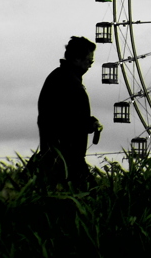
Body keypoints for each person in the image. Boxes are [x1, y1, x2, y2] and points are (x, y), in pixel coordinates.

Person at [35, 36, 102, 188]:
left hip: (59, 156)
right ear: (77, 59)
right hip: (66, 158)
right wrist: (89, 124)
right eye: (89, 61)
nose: (90, 65)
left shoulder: (60, 77)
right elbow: (68, 120)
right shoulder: (68, 82)